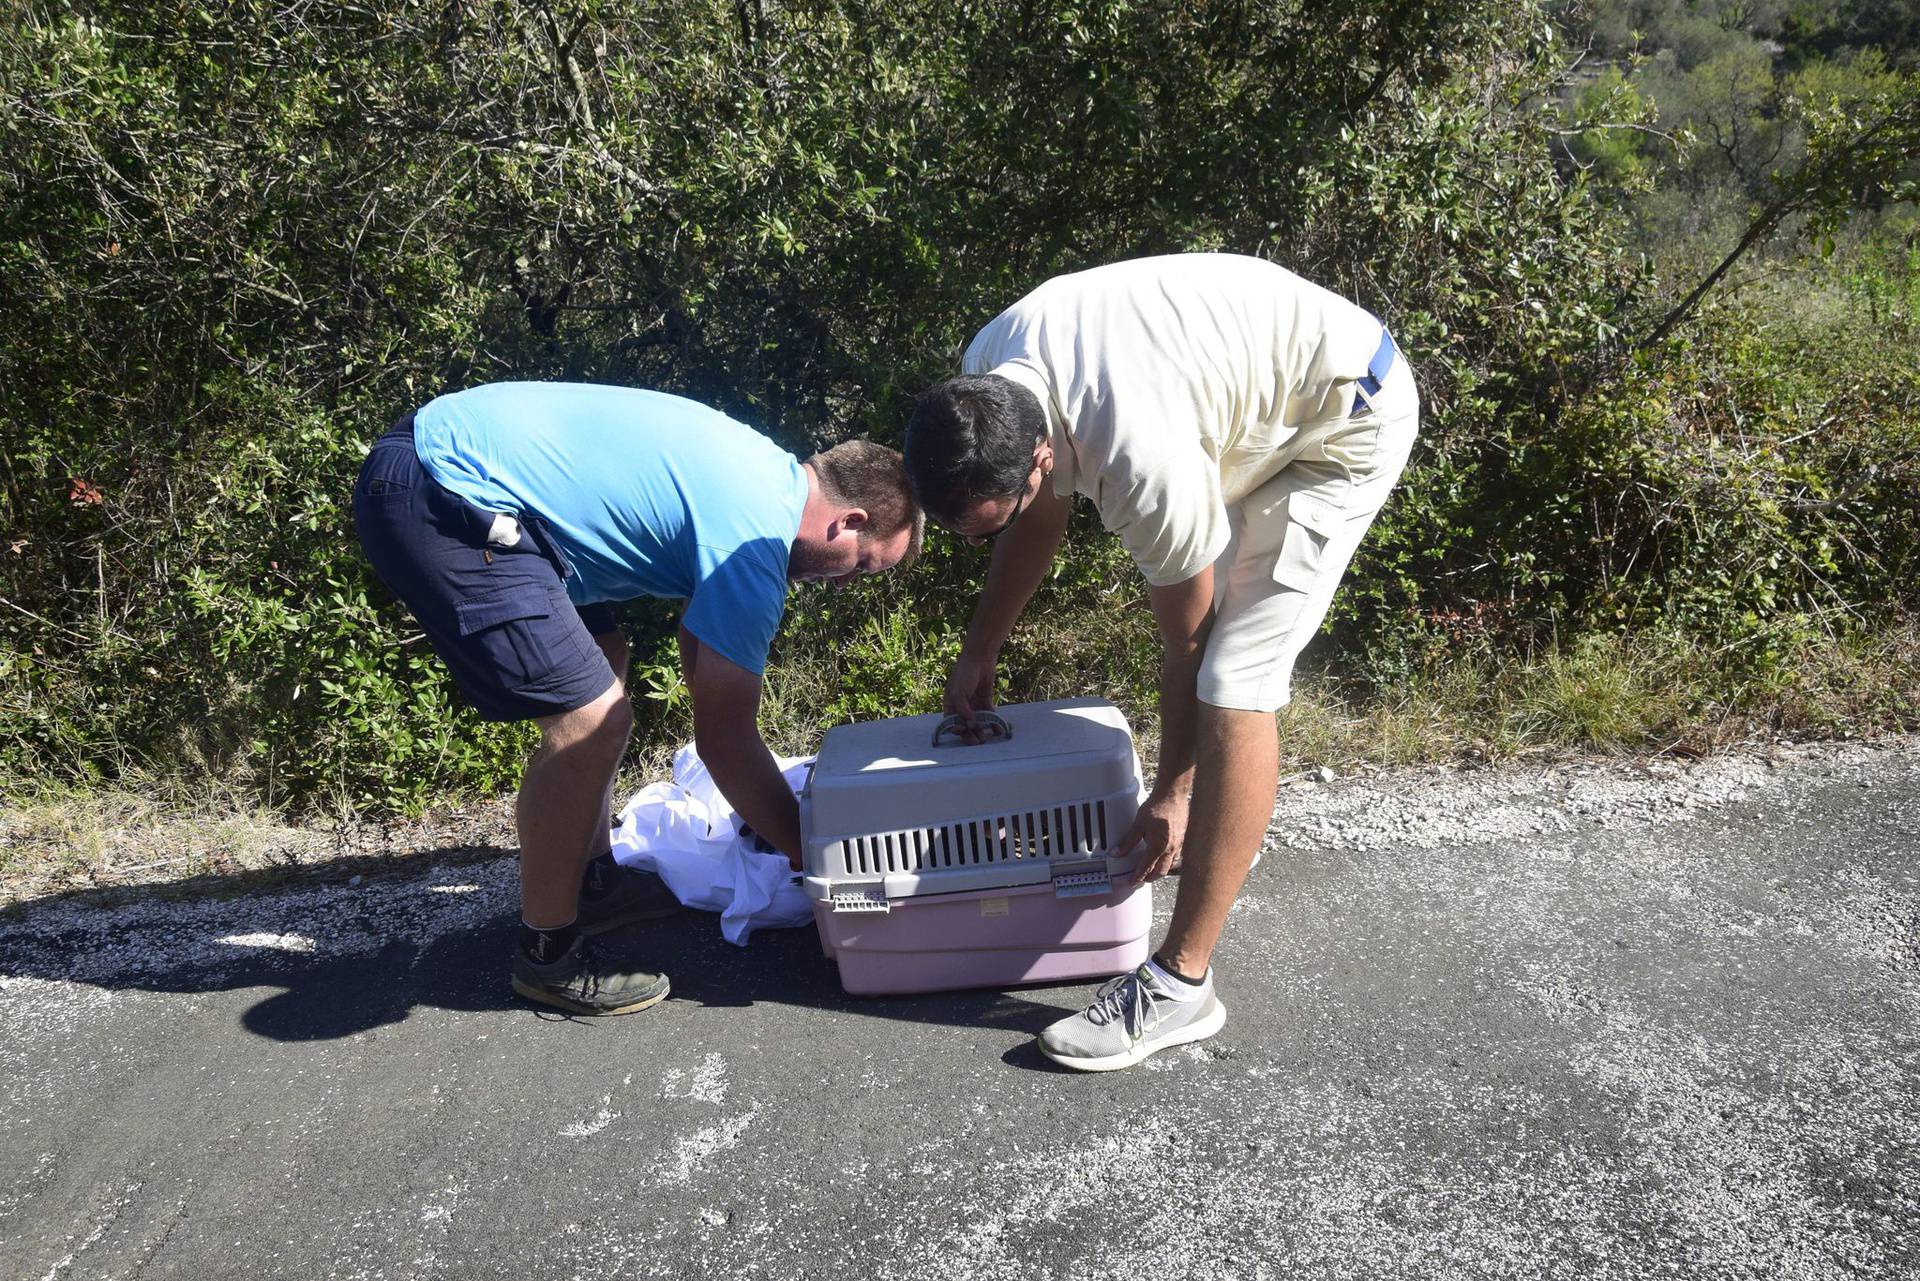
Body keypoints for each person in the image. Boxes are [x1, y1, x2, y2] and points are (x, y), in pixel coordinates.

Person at [904, 253, 1418, 1071]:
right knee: (1221, 678)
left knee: (1235, 681)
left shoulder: (1137, 455)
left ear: (1039, 459)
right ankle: (1214, 846)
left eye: (984, 527)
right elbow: (1037, 519)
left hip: (1342, 420)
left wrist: (1174, 788)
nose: (982, 544)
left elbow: (1189, 636)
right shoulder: (989, 379)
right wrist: (980, 647)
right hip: (1256, 395)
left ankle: (1183, 986)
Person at [354, 381, 922, 1016]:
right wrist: (814, 859)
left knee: (607, 663)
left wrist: (774, 821)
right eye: (862, 566)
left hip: (481, 480)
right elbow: (725, 741)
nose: (844, 584)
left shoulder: (762, 479)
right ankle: (548, 955)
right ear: (850, 521)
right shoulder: (755, 541)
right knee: (591, 719)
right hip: (447, 488)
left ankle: (596, 882)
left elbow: (700, 656)